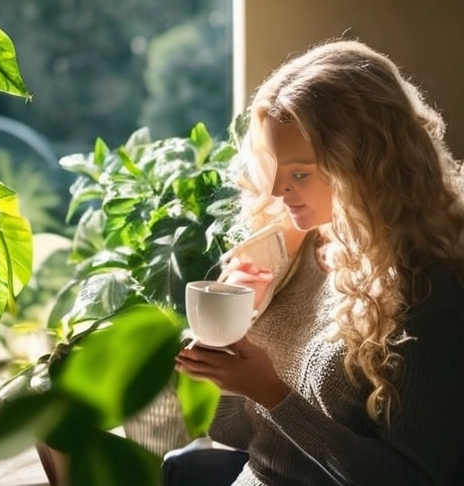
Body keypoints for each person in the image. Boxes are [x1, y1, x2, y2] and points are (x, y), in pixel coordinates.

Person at [175, 38, 464, 485]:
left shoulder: (429, 290)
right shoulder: (303, 249)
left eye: (300, 174)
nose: (276, 193)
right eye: (275, 168)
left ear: (364, 163)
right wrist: (218, 360)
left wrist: (271, 393)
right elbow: (242, 435)